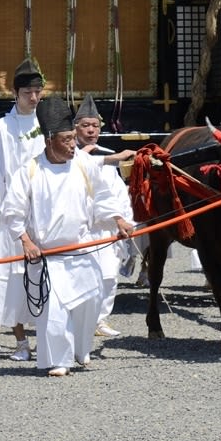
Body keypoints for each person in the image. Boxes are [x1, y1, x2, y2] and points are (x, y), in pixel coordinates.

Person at [2, 96, 134, 376]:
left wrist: (118, 220)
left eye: (73, 139)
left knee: (90, 304)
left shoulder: (83, 164)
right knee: (55, 313)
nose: (74, 145)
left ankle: (80, 350)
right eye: (67, 140)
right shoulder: (30, 170)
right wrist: (26, 241)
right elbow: (12, 212)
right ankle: (59, 361)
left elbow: (103, 197)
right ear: (49, 140)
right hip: (49, 256)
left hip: (83, 250)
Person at [0, 57, 46, 361]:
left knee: (44, 274)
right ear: (15, 93)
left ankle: (47, 337)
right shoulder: (1, 129)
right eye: (27, 91)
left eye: (38, 90)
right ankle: (20, 341)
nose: (33, 96)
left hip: (44, 208)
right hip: (11, 210)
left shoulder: (47, 122)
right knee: (14, 278)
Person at [72, 94, 134, 338]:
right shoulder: (67, 154)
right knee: (83, 279)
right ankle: (80, 321)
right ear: (75, 128)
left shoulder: (108, 153)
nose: (90, 131)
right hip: (81, 228)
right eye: (85, 126)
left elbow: (117, 192)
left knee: (108, 275)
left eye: (95, 126)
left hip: (107, 227)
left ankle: (100, 320)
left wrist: (124, 219)